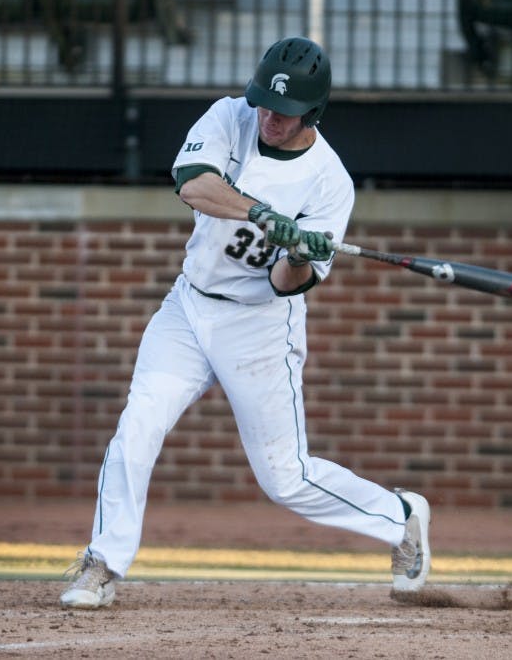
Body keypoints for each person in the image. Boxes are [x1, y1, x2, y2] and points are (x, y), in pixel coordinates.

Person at [59, 36, 430, 609]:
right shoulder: (230, 115)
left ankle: (399, 517)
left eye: (283, 113)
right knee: (138, 426)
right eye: (264, 102)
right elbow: (191, 181)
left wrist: (301, 252)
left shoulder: (330, 183)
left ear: (312, 113)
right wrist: (261, 213)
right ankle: (102, 563)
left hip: (260, 325)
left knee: (285, 478)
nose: (268, 118)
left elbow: (289, 283)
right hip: (188, 306)